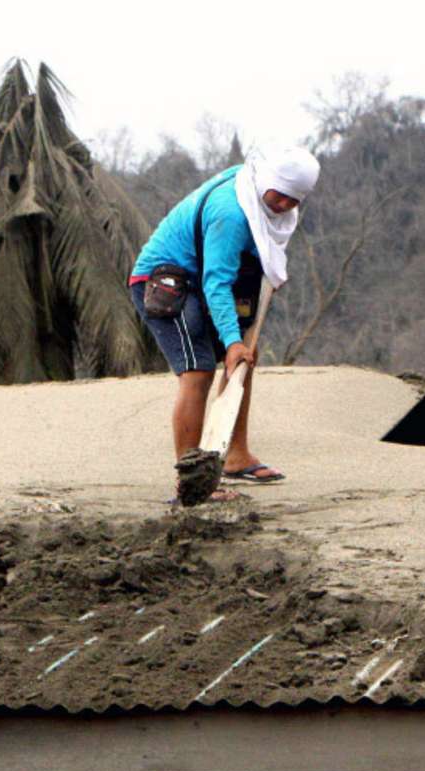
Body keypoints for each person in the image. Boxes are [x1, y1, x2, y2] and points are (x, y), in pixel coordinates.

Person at [128, 145, 320, 503]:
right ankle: (193, 481)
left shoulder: (263, 199)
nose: (283, 206)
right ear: (268, 182)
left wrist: (239, 344)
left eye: (293, 201)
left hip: (204, 281)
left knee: (244, 358)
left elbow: (250, 262)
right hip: (163, 282)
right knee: (198, 371)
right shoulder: (231, 213)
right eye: (279, 196)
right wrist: (231, 340)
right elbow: (217, 280)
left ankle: (235, 456)